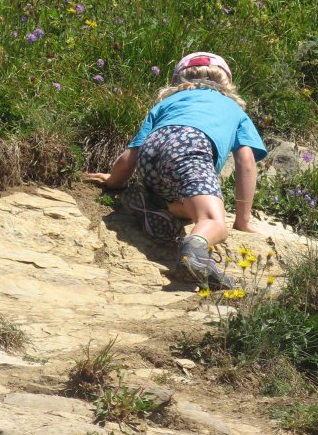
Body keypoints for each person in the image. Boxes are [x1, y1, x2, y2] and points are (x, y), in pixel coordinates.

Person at [85, 52, 267, 289]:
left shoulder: (166, 104)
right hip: (192, 147)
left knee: (187, 207)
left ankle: (155, 205)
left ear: (176, 81)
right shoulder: (233, 109)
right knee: (213, 220)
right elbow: (246, 161)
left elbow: (131, 156)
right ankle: (194, 251)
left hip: (152, 153)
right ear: (227, 83)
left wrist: (113, 182)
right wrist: (242, 220)